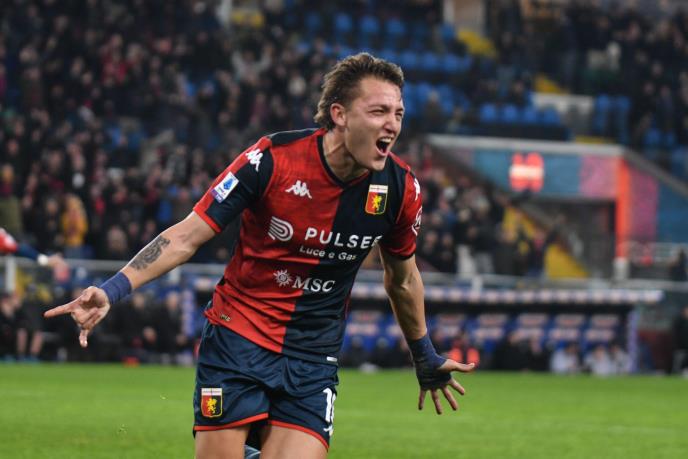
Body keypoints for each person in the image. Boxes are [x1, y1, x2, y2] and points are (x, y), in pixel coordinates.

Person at [44, 53, 475, 459]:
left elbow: (403, 279)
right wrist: (112, 289)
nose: (392, 124)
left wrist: (424, 355)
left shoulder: (401, 189)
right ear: (340, 114)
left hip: (313, 357)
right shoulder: (272, 160)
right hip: (238, 339)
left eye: (398, 113)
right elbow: (186, 237)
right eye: (378, 111)